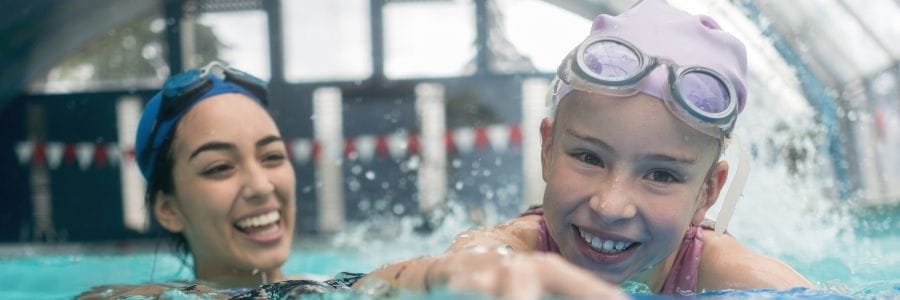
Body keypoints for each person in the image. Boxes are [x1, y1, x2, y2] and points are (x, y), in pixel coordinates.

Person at [356, 0, 813, 298]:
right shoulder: (519, 249)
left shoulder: (729, 274)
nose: (610, 205)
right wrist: (459, 276)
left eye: (662, 175)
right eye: (589, 157)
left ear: (706, 195)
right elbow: (376, 286)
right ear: (548, 150)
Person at [78, 62, 361, 299]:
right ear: (169, 210)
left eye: (273, 156)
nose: (261, 186)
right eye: (220, 167)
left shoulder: (351, 290)